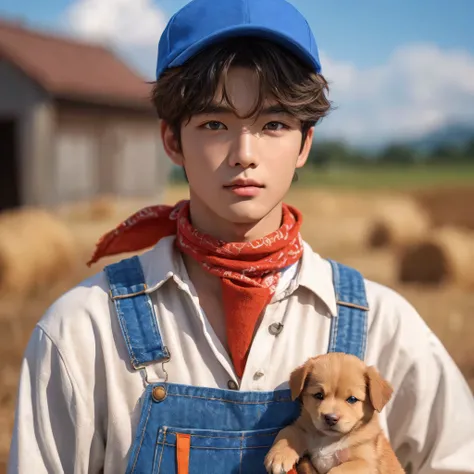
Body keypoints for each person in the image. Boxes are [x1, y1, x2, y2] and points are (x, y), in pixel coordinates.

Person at [8, 0, 474, 473]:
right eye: (215, 124)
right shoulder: (85, 330)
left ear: (305, 143)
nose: (244, 153)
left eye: (273, 124)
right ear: (172, 140)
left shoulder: (385, 328)